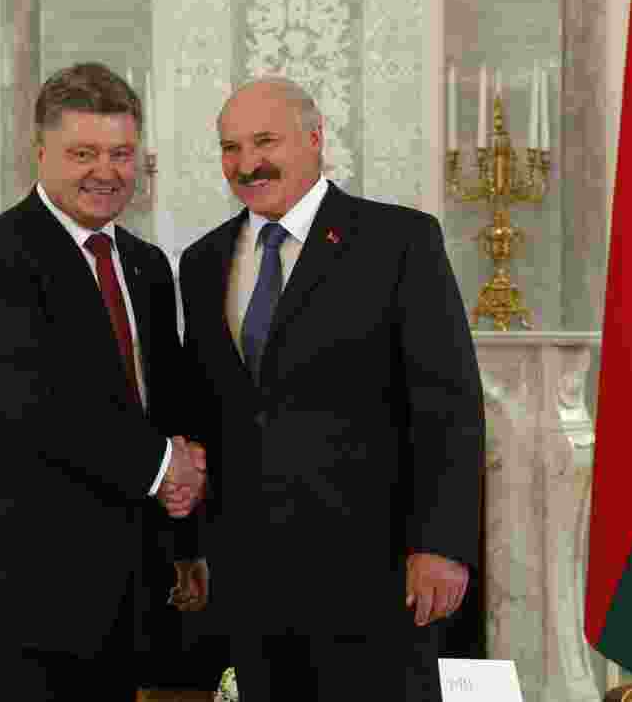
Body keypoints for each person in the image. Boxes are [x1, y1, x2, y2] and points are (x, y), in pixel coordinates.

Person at [177, 77, 484, 701]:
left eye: (265, 141)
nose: (246, 163)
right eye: (230, 148)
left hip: (376, 578)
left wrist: (443, 546)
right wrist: (189, 548)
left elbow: (448, 405)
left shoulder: (398, 242)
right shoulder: (203, 260)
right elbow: (202, 413)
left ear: (315, 140)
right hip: (251, 583)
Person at [0, 62, 208, 701]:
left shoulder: (146, 266)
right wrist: (166, 466)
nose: (105, 172)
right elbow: (34, 405)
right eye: (84, 153)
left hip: (120, 597)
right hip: (12, 600)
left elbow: (160, 406)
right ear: (40, 152)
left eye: (121, 154)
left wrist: (185, 517)